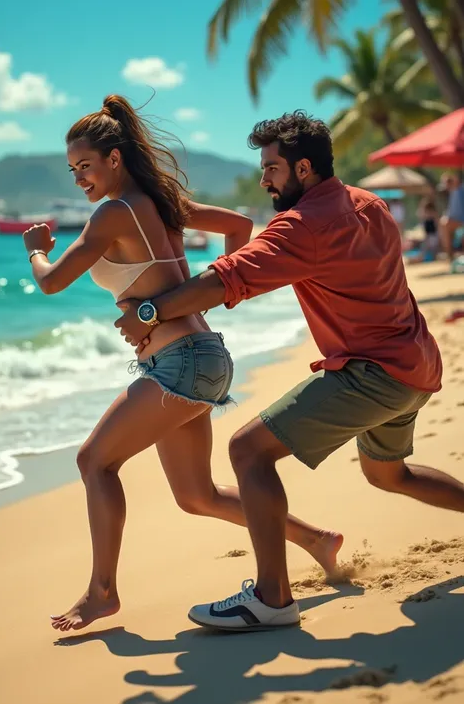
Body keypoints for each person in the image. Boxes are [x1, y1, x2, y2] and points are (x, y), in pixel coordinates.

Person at [116, 110, 464, 632]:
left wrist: (149, 311)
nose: (264, 179)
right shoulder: (371, 206)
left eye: (272, 169)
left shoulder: (305, 226)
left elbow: (226, 277)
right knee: (389, 474)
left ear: (303, 169)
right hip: (416, 364)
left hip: (374, 374)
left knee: (248, 451)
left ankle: (273, 600)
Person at [22, 97, 342, 632]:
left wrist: (35, 250)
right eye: (73, 170)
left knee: (93, 462)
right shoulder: (161, 201)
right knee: (197, 495)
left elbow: (53, 282)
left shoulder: (111, 213)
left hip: (180, 363)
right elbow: (239, 226)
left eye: (87, 166)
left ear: (116, 158)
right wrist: (205, 298)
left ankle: (102, 592)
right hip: (204, 355)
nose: (80, 178)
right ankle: (316, 539)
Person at [438, 171, 464, 263]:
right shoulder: (453, 193)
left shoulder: (460, 191)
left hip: (460, 221)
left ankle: (450, 255)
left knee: (444, 225)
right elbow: (451, 212)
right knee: (443, 224)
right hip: (457, 221)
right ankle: (450, 255)